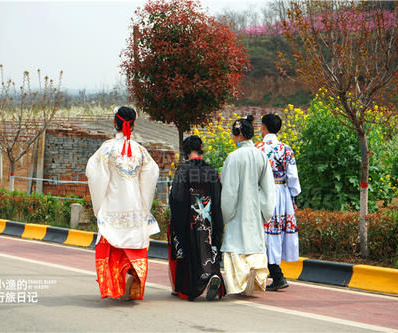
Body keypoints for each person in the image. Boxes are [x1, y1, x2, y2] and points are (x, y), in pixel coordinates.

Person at [86, 106, 160, 301]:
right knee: (134, 243)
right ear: (133, 125)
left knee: (112, 243)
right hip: (134, 205)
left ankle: (115, 284)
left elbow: (94, 174)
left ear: (114, 123)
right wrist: (144, 202)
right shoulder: (140, 151)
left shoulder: (107, 149)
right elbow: (152, 173)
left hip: (113, 203)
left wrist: (99, 204)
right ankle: (129, 275)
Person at [220, 115, 276, 296]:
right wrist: (266, 210)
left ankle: (239, 281)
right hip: (254, 209)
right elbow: (268, 188)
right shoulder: (261, 156)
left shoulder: (233, 158)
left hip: (238, 210)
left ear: (239, 134)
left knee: (236, 244)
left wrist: (226, 213)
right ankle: (255, 271)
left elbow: (229, 190)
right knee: (254, 243)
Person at [168, 135, 226, 301]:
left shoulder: (183, 170)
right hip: (208, 217)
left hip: (190, 219)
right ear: (201, 149)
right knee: (208, 249)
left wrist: (177, 220)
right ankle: (212, 275)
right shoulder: (211, 171)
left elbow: (177, 198)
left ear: (186, 151)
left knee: (191, 252)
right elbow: (218, 197)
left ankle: (191, 287)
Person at [256, 113, 301, 291]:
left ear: (264, 127)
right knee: (276, 232)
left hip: (263, 193)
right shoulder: (286, 149)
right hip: (282, 192)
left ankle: (275, 274)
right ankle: (275, 273)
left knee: (264, 233)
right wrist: (293, 198)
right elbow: (293, 177)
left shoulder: (257, 148)